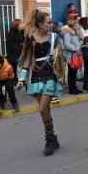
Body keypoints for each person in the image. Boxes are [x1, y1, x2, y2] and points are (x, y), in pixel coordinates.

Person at [17, 9, 64, 156]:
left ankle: (49, 139)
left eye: (51, 22)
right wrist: (22, 79)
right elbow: (27, 60)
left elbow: (60, 58)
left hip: (51, 75)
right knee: (46, 111)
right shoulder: (31, 39)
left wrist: (61, 73)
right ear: (40, 24)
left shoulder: (55, 37)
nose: (51, 24)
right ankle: (53, 138)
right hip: (37, 76)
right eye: (48, 22)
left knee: (42, 109)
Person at [62, 17, 82, 95]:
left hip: (76, 55)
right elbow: (67, 45)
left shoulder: (75, 33)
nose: (78, 25)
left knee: (74, 73)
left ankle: (75, 88)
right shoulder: (67, 33)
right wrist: (76, 48)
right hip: (71, 56)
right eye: (77, 23)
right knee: (71, 73)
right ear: (73, 24)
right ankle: (72, 89)